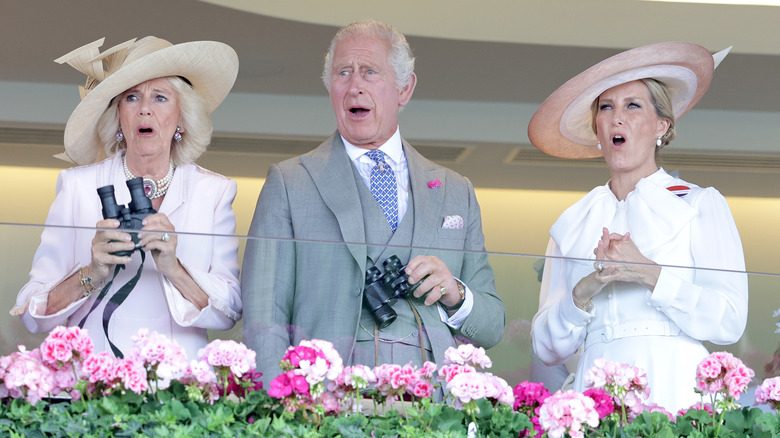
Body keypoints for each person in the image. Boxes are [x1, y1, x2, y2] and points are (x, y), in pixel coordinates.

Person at [242, 19, 505, 385]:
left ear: (404, 89)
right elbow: (263, 315)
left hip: (433, 405)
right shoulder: (289, 183)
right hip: (328, 403)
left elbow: (492, 326)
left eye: (369, 72)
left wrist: (456, 293)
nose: (354, 87)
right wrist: (282, 408)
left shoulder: (454, 190)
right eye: (343, 73)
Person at [529, 42, 748, 412]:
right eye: (606, 107)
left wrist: (651, 274)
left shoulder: (698, 204)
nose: (617, 118)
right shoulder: (572, 222)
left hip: (675, 383)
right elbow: (546, 346)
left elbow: (728, 321)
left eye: (632, 105)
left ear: (661, 125)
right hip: (594, 392)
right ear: (597, 129)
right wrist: (582, 293)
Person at [12, 36, 242, 360]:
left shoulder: (213, 192)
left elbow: (230, 311)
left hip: (181, 390)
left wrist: (174, 268)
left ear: (181, 118)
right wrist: (92, 272)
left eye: (160, 97)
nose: (145, 108)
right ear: (119, 116)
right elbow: (31, 312)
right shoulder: (78, 187)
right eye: (132, 97)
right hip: (93, 386)